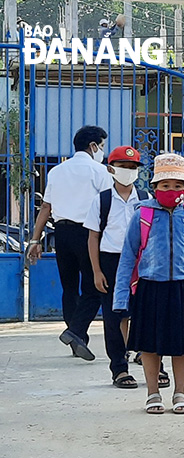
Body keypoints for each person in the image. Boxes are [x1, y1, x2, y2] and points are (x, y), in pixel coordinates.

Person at [113, 153, 184, 414]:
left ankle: (180, 393)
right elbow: (128, 257)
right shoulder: (142, 215)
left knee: (182, 345)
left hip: (183, 287)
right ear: (155, 187)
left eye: (178, 185)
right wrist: (121, 296)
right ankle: (153, 393)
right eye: (166, 185)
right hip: (150, 287)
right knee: (150, 344)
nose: (172, 190)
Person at [28, 125, 113, 361]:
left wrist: (35, 239)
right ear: (94, 146)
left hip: (61, 234)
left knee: (69, 287)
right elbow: (108, 205)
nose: (103, 151)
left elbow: (46, 207)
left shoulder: (56, 171)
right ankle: (75, 331)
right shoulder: (99, 171)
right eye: (103, 146)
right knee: (95, 287)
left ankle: (78, 340)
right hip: (88, 234)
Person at [84, 146, 155, 389]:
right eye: (124, 167)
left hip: (141, 263)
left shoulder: (146, 199)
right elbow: (93, 237)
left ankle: (153, 362)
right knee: (115, 317)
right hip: (111, 262)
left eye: (133, 167)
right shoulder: (101, 200)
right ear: (111, 169)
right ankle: (119, 368)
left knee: (146, 314)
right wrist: (96, 270)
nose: (129, 172)